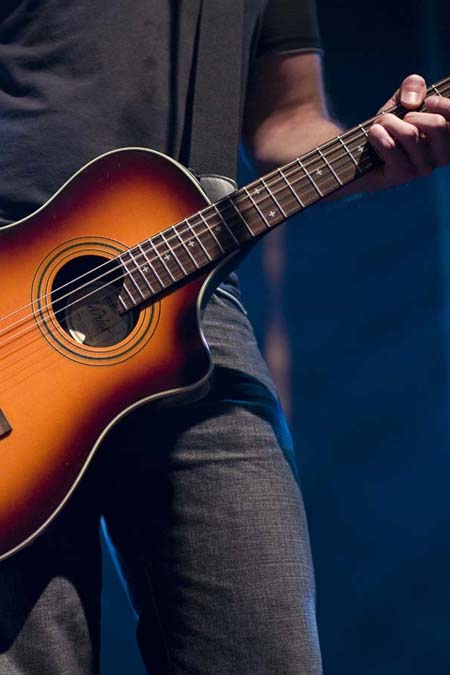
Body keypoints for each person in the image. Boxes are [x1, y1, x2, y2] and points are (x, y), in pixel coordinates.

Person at [0, 2, 449, 674]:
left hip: (193, 308)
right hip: (14, 300)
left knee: (263, 647)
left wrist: (371, 148)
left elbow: (284, 121)